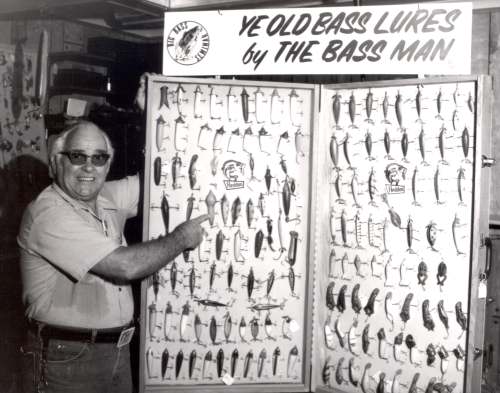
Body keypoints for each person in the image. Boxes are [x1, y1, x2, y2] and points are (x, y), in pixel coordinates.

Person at [17, 120, 208, 393]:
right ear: (55, 161)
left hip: (116, 351)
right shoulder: (47, 213)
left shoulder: (105, 195)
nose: (88, 167)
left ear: (108, 165)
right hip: (66, 358)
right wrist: (181, 239)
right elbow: (124, 266)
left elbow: (166, 172)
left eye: (99, 158)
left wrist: (152, 111)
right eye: (77, 156)